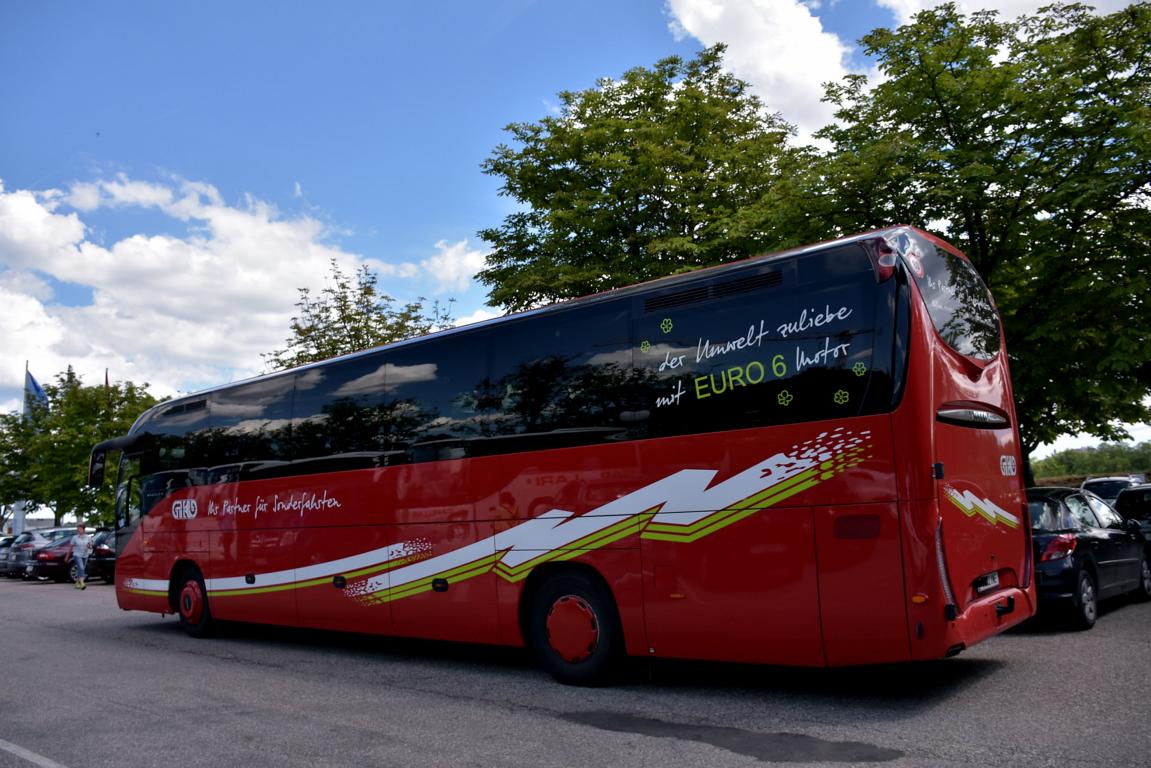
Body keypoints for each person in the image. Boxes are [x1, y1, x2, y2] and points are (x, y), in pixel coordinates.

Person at [67, 523, 94, 590]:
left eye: (80, 529)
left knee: (81, 569)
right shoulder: (75, 538)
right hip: (77, 555)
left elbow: (91, 546)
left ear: (83, 529)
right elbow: (70, 547)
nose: (79, 530)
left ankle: (77, 583)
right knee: (81, 568)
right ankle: (82, 583)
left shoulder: (88, 537)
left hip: (85, 555)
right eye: (78, 529)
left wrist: (89, 546)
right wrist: (67, 557)